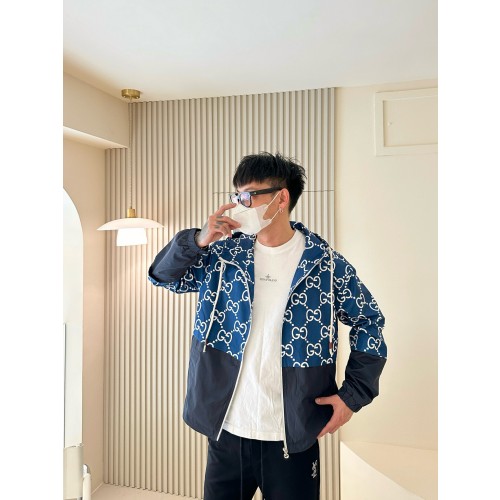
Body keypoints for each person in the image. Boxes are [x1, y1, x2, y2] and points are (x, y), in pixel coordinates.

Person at [148, 152, 387, 500]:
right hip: (227, 428)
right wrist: (198, 240)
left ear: (281, 198)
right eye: (236, 196)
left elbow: (370, 322)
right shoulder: (223, 257)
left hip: (293, 433)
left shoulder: (327, 265)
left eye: (248, 196)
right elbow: (163, 276)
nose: (238, 206)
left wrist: (352, 396)